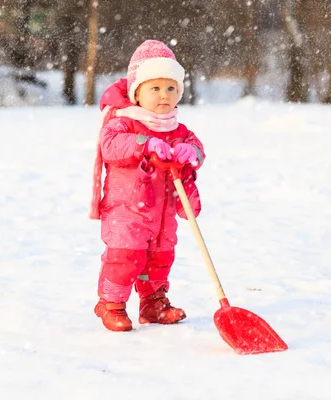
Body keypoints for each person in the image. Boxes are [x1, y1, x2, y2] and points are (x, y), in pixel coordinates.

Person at [89, 40, 205, 332]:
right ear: (136, 92)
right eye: (155, 88)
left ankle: (153, 302)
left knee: (160, 256)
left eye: (171, 89)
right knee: (126, 256)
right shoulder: (123, 123)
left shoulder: (177, 129)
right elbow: (111, 146)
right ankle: (111, 304)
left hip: (163, 210)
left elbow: (197, 148)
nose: (164, 96)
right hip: (127, 208)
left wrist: (191, 153)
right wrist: (144, 144)